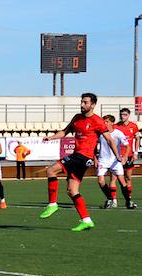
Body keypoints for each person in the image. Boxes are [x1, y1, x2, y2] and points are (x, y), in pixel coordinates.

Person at [38, 93, 121, 231]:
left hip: (83, 157)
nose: (82, 105)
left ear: (93, 105)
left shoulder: (98, 121)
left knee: (51, 170)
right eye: (81, 102)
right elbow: (64, 132)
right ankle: (86, 220)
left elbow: (109, 140)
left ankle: (52, 204)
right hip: (79, 156)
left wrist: (117, 155)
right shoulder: (77, 118)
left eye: (85, 102)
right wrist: (51, 137)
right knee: (72, 190)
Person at [96, 115, 134, 209]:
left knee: (122, 181)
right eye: (104, 121)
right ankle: (110, 199)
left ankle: (128, 201)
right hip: (102, 160)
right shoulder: (100, 133)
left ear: (112, 123)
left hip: (115, 160)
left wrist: (125, 156)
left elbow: (127, 146)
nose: (104, 123)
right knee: (101, 181)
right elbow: (93, 146)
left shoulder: (118, 133)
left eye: (107, 122)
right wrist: (95, 158)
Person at [110, 107, 138, 203]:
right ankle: (113, 200)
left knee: (128, 178)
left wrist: (135, 152)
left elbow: (137, 138)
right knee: (113, 178)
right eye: (121, 115)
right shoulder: (116, 126)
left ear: (129, 115)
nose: (123, 116)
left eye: (125, 115)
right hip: (116, 156)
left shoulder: (133, 126)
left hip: (128, 156)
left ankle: (128, 199)